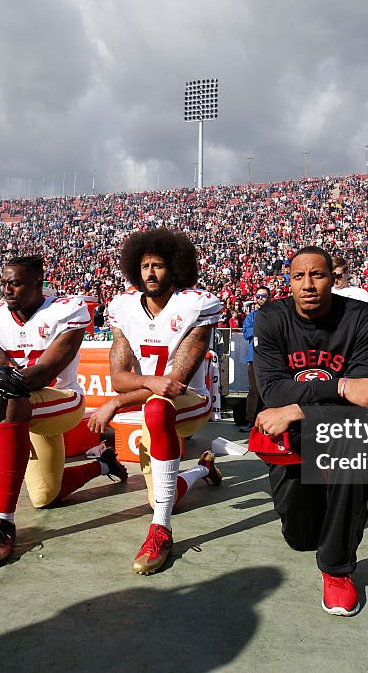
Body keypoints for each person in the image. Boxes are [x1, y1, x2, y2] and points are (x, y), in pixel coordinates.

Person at [0, 256, 129, 568]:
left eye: (15, 283)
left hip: (64, 400)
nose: (7, 290)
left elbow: (45, 371)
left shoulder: (66, 309)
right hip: (27, 406)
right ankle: (102, 464)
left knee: (11, 399)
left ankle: (2, 523)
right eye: (3, 283)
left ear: (37, 285)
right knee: (46, 497)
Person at [252, 245, 368, 617]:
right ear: (289, 281)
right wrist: (343, 387)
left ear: (335, 278)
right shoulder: (270, 318)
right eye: (299, 276)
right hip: (291, 432)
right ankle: (329, 519)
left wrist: (297, 408)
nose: (308, 284)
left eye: (318, 275)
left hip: (341, 426)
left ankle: (338, 568)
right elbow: (273, 390)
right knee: (301, 537)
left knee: (354, 446)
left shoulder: (362, 317)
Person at [87, 228, 223, 576]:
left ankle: (160, 530)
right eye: (145, 265)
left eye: (158, 265)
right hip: (150, 399)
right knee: (159, 493)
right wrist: (146, 381)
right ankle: (202, 469)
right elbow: (118, 378)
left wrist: (116, 404)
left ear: (174, 268)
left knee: (160, 405)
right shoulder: (122, 306)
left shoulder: (196, 304)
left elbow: (175, 385)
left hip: (191, 400)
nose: (150, 272)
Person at [240, 286, 271, 432]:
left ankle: (271, 420)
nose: (260, 299)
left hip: (272, 358)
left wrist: (258, 329)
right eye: (258, 296)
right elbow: (247, 334)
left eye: (263, 296)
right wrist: (263, 327)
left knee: (272, 389)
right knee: (254, 390)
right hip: (254, 358)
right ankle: (250, 420)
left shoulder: (276, 314)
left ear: (269, 297)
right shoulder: (251, 317)